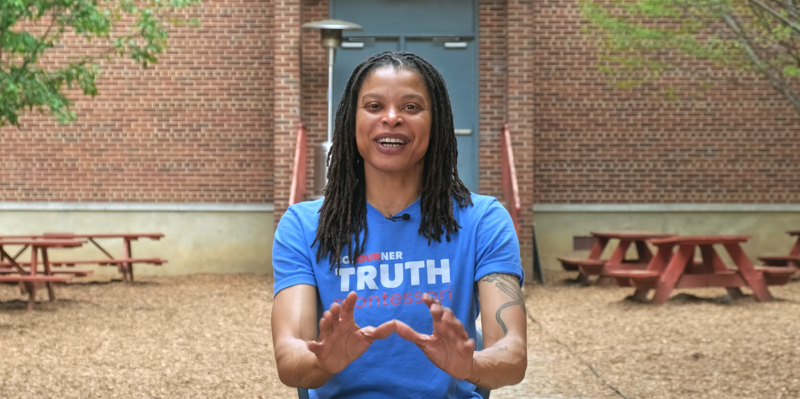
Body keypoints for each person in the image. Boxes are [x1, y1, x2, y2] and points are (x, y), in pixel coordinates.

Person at [271, 51, 527, 399]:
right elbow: (289, 357)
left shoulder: (483, 220)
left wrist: (471, 367)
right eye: (374, 106)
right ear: (351, 120)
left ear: (436, 121)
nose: (391, 118)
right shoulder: (304, 226)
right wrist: (323, 362)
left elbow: (513, 354)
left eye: (411, 107)